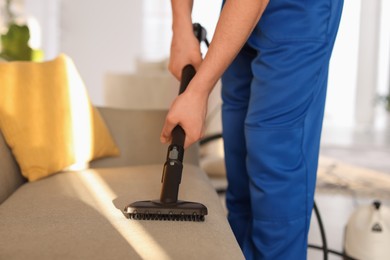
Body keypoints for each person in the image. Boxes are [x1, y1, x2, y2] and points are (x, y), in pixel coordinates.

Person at [161, 0, 344, 259]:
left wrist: (198, 92)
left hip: (299, 11)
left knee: (272, 155)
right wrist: (180, 27)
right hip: (236, 7)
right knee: (238, 155)